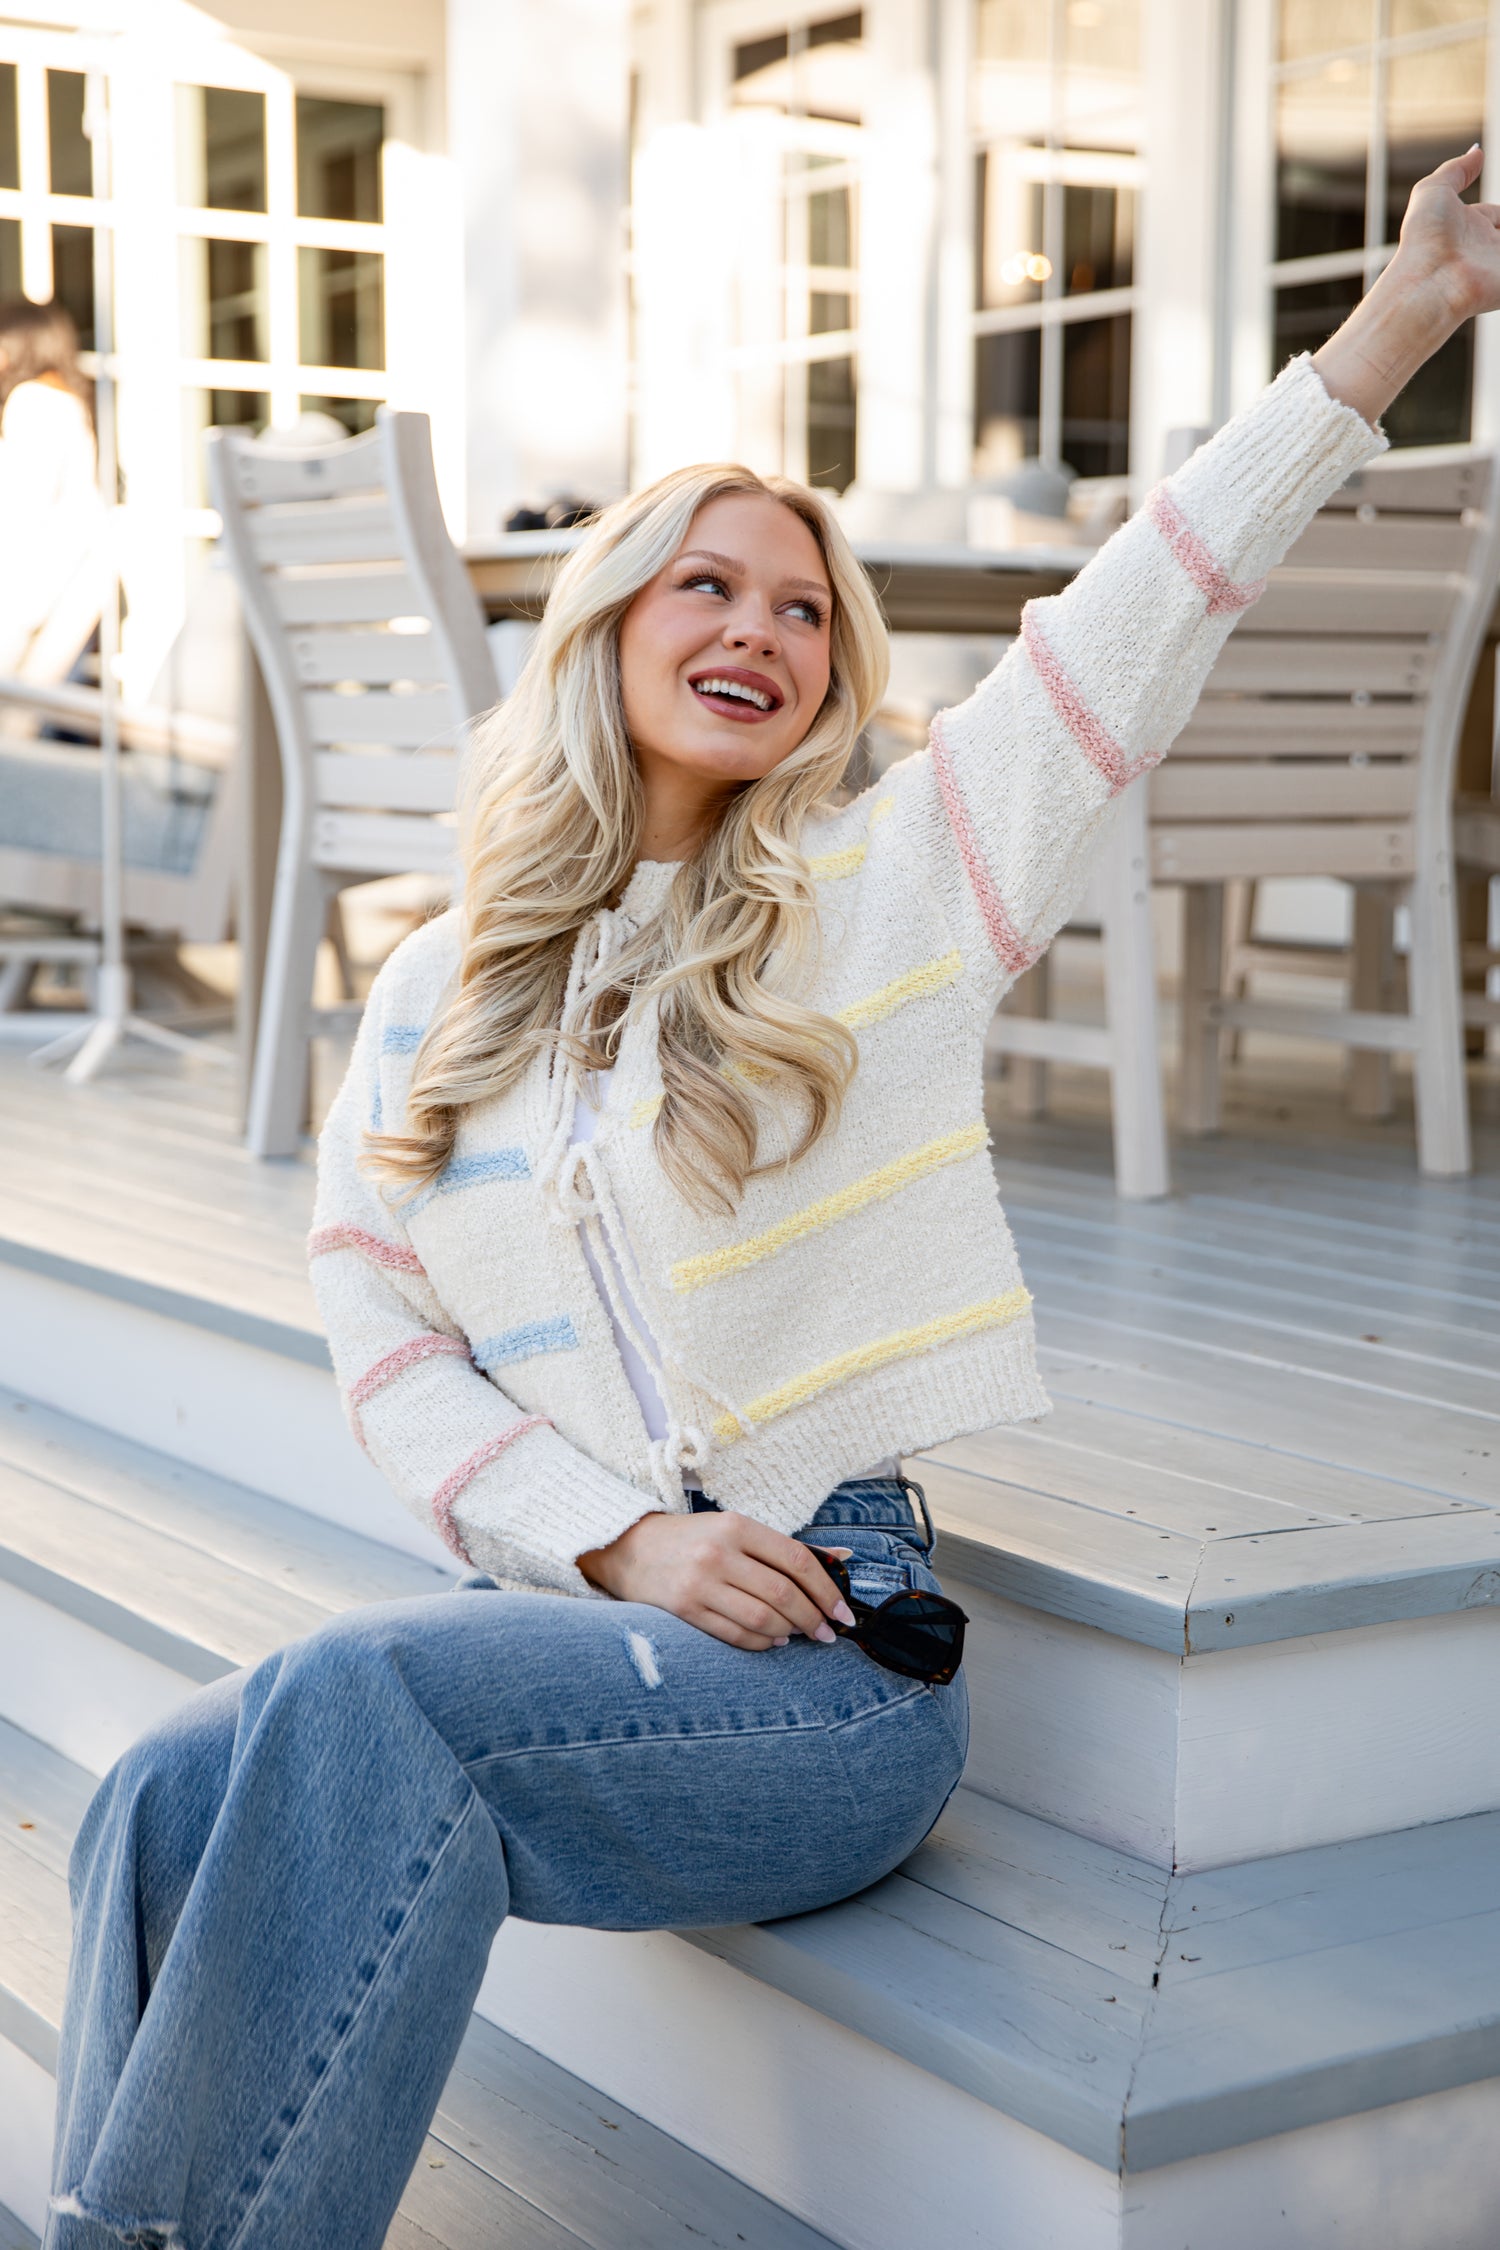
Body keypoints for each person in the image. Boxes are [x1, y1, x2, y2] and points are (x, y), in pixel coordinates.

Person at [42, 148, 1500, 2250]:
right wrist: (617, 1537)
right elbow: (380, 1333)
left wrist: (1398, 324)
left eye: (804, 606)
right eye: (710, 585)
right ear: (607, 621)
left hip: (829, 1670)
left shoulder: (883, 896)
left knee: (345, 1703)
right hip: (590, 1612)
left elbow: (1142, 609)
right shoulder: (448, 987)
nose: (763, 628)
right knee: (165, 1780)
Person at [0, 298, 105, 685]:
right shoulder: (63, 402)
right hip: (58, 595)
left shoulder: (33, 402)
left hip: (32, 600)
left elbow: (23, 519)